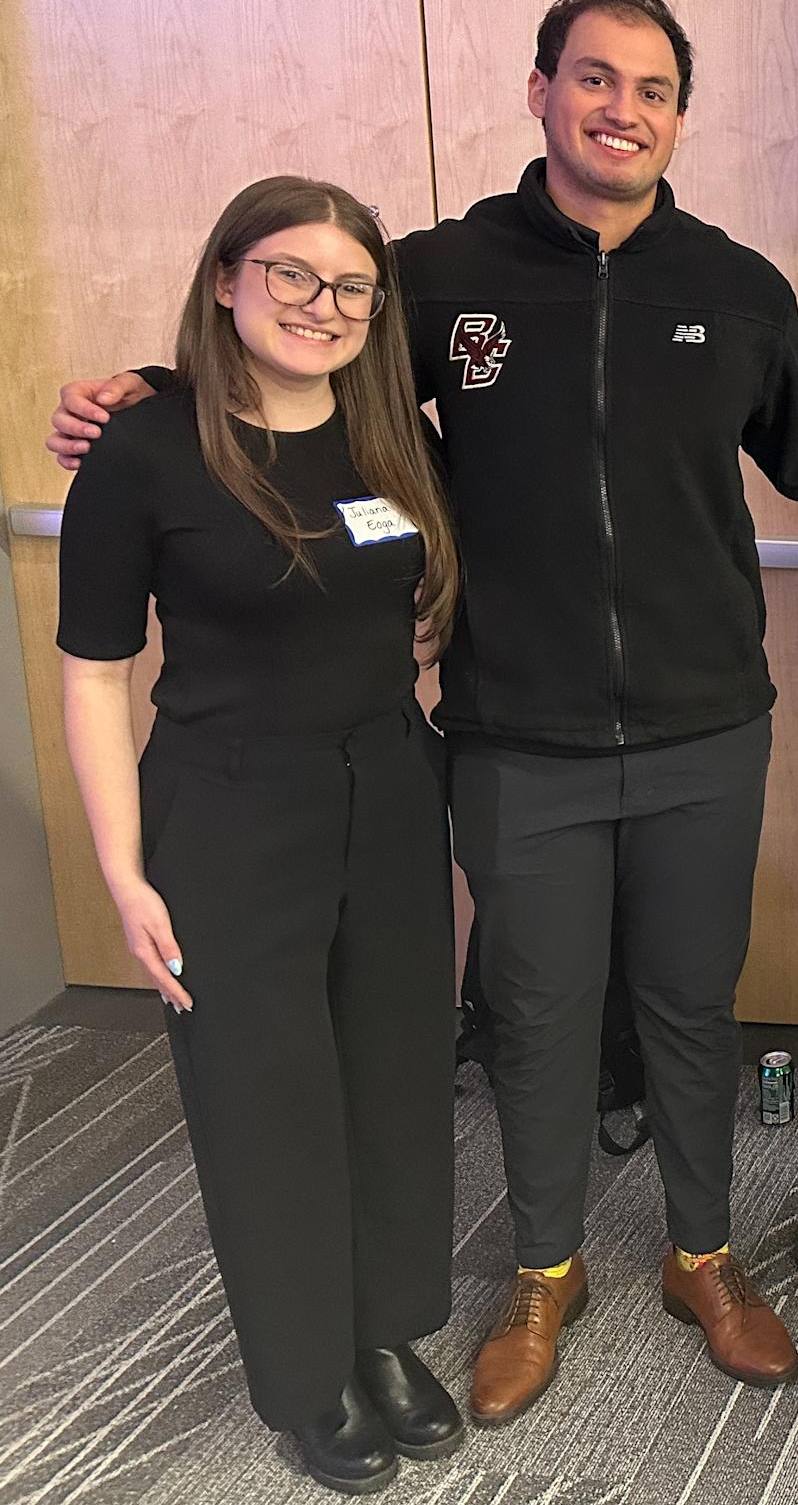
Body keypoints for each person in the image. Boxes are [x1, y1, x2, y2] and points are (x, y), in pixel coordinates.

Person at [47, 0, 798, 1423]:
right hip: (518, 732)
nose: (619, 109)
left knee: (693, 1005)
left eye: (649, 89)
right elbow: (296, 352)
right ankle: (542, 1271)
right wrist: (151, 391)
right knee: (534, 1012)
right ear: (539, 93)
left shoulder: (735, 286)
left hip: (712, 724)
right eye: (592, 78)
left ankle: (705, 1254)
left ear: (679, 117)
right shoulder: (440, 275)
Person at [56, 177, 464, 1492]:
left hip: (389, 791)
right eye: (290, 274)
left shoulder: (392, 434)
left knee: (397, 1076)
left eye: (350, 286)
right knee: (265, 1101)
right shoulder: (146, 450)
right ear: (226, 277)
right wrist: (122, 871)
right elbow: (96, 671)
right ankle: (308, 1375)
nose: (322, 306)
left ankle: (386, 1332)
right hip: (226, 807)